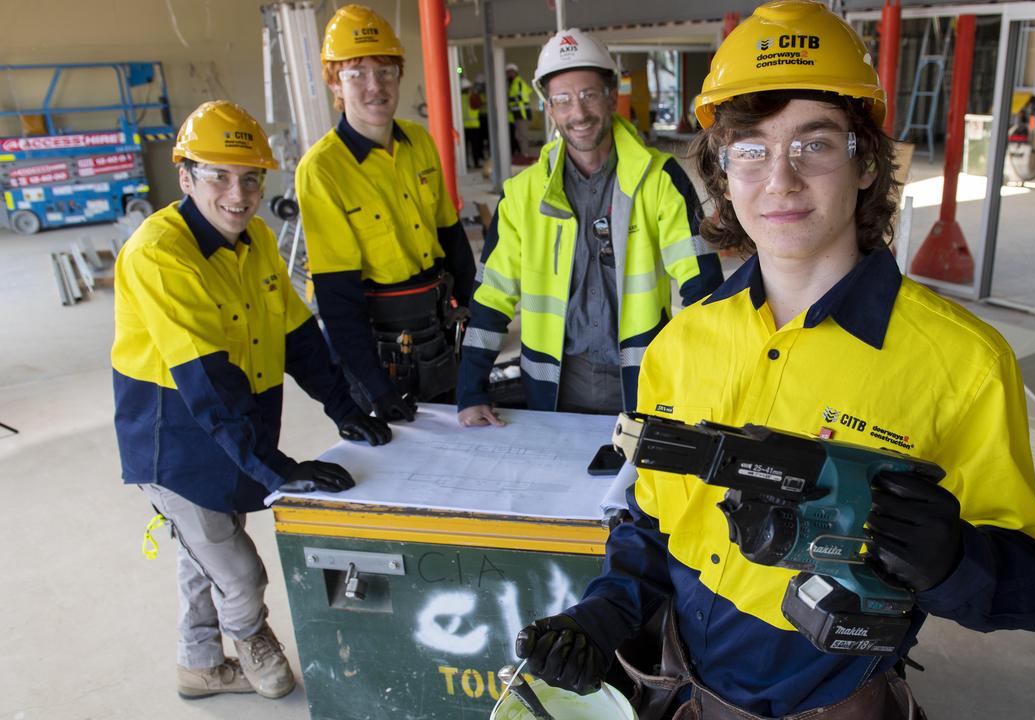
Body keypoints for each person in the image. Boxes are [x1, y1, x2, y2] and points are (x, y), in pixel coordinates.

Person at [512, 3, 1035, 718]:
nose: (780, 179)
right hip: (681, 689)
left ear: (866, 163)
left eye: (815, 144)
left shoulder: (962, 362)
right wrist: (605, 614)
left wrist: (954, 561)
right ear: (720, 169)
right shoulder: (683, 343)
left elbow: (1031, 594)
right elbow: (651, 526)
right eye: (749, 148)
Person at [112, 100, 391, 701]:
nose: (238, 194)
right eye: (218, 175)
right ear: (185, 177)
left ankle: (199, 665)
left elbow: (298, 339)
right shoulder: (160, 254)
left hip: (236, 423)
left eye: (250, 177)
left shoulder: (258, 238)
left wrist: (344, 407)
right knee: (237, 567)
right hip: (178, 436)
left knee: (203, 551)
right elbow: (207, 383)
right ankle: (251, 638)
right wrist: (279, 472)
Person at [457, 28, 723, 425]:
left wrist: (708, 386)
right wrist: (470, 390)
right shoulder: (523, 195)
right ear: (549, 109)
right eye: (562, 100)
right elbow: (492, 299)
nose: (577, 113)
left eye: (588, 95)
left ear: (611, 97)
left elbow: (704, 289)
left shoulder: (659, 179)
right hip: (553, 394)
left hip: (644, 390)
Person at [297, 4, 476, 422]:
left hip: (436, 331)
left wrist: (477, 329)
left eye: (385, 72)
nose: (374, 86)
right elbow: (337, 297)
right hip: (376, 345)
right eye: (356, 74)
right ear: (334, 83)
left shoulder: (418, 141)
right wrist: (374, 387)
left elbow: (452, 241)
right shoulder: (322, 169)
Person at [506, 62, 534, 157]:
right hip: (516, 114)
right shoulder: (512, 84)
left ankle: (525, 154)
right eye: (508, 72)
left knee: (523, 136)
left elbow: (522, 98)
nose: (509, 74)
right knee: (518, 136)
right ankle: (523, 154)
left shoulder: (519, 83)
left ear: (515, 72)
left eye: (511, 72)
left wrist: (508, 100)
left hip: (522, 114)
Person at [461, 78, 485, 170]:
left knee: (465, 148)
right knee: (476, 146)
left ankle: (466, 164)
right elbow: (478, 105)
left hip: (463, 127)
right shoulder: (472, 97)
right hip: (474, 125)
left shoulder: (458, 98)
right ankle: (476, 163)